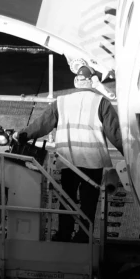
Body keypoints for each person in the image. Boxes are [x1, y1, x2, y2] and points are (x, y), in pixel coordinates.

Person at [16, 67, 123, 243]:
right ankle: (83, 237)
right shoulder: (101, 103)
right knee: (89, 202)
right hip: (92, 161)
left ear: (76, 82)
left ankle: (64, 234)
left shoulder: (62, 102)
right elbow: (115, 134)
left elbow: (42, 125)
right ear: (92, 81)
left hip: (68, 160)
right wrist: (131, 156)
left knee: (67, 198)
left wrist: (23, 134)